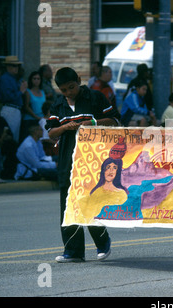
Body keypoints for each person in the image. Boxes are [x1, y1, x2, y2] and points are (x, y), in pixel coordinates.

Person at [45, 67, 121, 263]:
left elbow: (115, 121)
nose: (69, 93)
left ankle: (102, 242)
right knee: (69, 205)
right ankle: (73, 251)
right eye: (64, 90)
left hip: (93, 159)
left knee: (90, 200)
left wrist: (93, 123)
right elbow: (51, 132)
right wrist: (64, 127)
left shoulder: (95, 97)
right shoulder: (58, 105)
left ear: (79, 80)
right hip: (67, 161)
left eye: (71, 87)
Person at [0, 56, 27, 143]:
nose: (16, 68)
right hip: (10, 109)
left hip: (15, 110)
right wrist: (21, 91)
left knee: (15, 137)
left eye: (17, 66)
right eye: (14, 66)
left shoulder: (14, 79)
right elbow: (8, 97)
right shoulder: (5, 79)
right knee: (10, 137)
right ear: (8, 66)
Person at [21, 71, 46, 141]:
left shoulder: (42, 92)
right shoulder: (28, 92)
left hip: (41, 120)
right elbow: (26, 106)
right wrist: (36, 117)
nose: (36, 81)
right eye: (34, 78)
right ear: (31, 80)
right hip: (30, 120)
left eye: (38, 79)